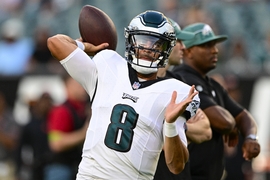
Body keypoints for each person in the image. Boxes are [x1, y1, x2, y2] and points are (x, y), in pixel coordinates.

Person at [47, 10, 200, 180]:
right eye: (142, 41)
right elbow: (55, 43)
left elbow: (176, 166)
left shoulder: (175, 92)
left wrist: (170, 124)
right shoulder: (108, 65)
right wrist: (84, 46)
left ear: (167, 49)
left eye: (156, 44)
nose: (148, 48)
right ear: (131, 41)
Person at [170, 22, 261, 180]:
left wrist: (250, 137)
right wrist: (232, 125)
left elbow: (243, 116)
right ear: (189, 50)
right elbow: (223, 122)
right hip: (187, 174)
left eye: (214, 45)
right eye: (206, 45)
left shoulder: (214, 85)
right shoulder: (182, 79)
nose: (215, 50)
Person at [154, 19, 212, 180]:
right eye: (178, 41)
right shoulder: (143, 83)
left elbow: (206, 130)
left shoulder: (180, 84)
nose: (183, 47)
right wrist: (178, 127)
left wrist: (176, 126)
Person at [44, 74, 90, 180]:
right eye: (78, 83)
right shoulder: (61, 111)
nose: (83, 86)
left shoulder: (83, 109)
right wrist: (83, 133)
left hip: (77, 167)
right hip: (61, 169)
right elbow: (55, 143)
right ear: (66, 85)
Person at [16, 92, 53, 180]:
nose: (45, 105)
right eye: (43, 102)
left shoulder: (53, 122)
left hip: (52, 163)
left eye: (48, 103)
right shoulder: (30, 125)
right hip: (35, 164)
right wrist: (18, 169)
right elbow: (20, 147)